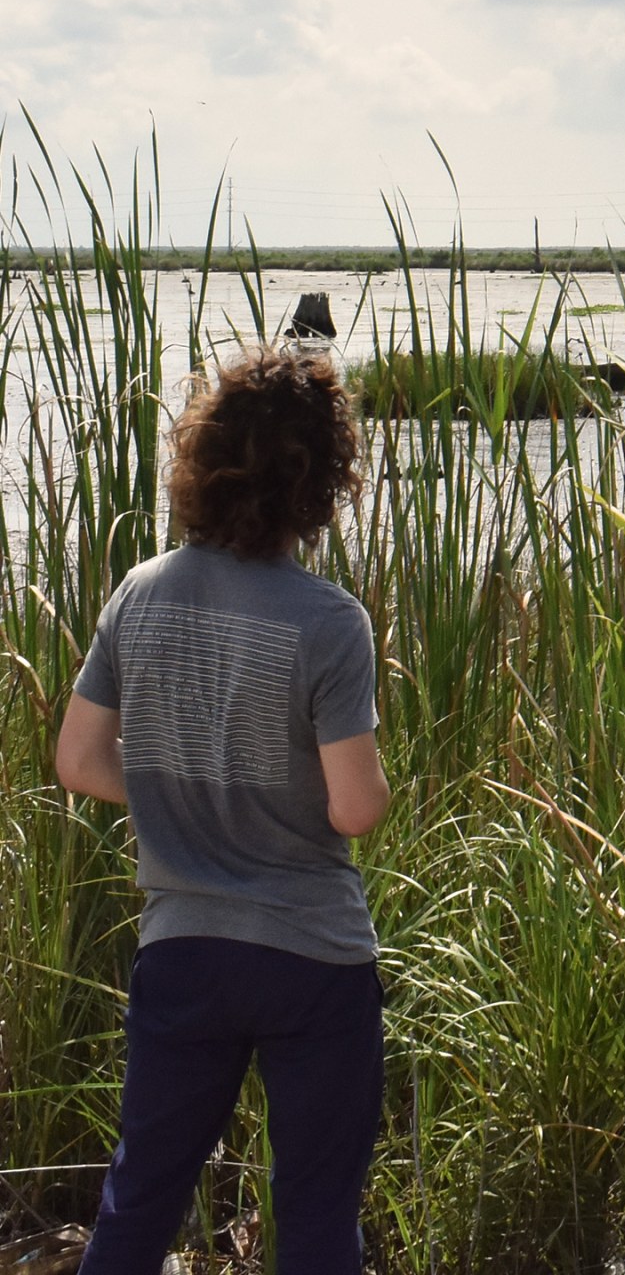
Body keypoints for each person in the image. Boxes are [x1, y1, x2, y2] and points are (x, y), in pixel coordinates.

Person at [55, 346, 391, 1275]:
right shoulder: (329, 622)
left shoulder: (142, 593)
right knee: (318, 1215)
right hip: (312, 962)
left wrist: (175, 781)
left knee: (139, 1200)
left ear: (203, 462)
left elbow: (79, 760)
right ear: (321, 481)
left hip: (184, 952)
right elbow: (355, 809)